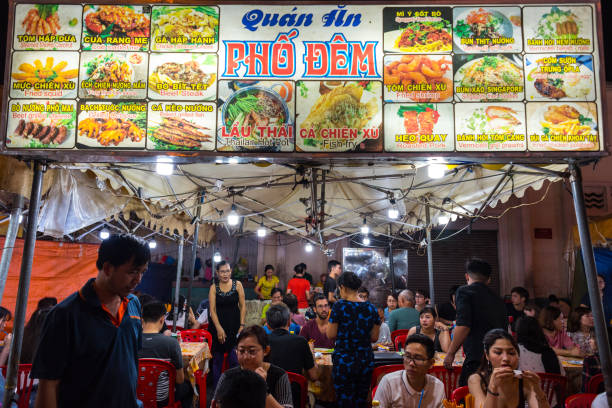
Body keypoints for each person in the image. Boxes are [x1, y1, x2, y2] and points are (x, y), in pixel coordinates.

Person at [32, 234, 150, 408]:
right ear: (108, 268)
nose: (138, 280)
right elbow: (49, 384)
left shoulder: (133, 305)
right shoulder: (65, 315)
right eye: (132, 272)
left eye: (142, 272)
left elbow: (129, 362)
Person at [444, 258, 508, 386]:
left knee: (468, 400)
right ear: (489, 279)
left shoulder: (464, 291)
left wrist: (450, 354)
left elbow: (463, 325)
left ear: (467, 276)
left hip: (476, 359)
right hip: (497, 360)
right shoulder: (499, 300)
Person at [327, 272, 380, 408]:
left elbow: (330, 334)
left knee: (345, 401)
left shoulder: (339, 306)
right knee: (360, 399)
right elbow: (374, 337)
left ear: (342, 287)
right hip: (364, 360)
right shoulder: (371, 308)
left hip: (344, 360)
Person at [212, 325, 293, 408]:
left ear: (266, 351)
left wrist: (263, 388)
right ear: (236, 351)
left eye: (252, 351)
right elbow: (215, 405)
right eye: (241, 351)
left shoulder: (279, 375)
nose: (246, 357)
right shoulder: (228, 376)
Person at [468, 329, 550, 408]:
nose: (506, 358)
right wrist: (493, 386)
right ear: (487, 356)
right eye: (498, 352)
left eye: (511, 353)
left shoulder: (523, 379)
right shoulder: (477, 380)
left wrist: (538, 390)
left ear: (518, 356)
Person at [139, 301, 192, 408]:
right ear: (162, 319)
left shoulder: (129, 341)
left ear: (141, 320)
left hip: (135, 397)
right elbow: (179, 379)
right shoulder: (171, 343)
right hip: (162, 399)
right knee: (189, 387)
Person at [266, 304, 318, 408]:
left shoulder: (262, 342)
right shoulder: (300, 342)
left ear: (268, 325)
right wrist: (311, 352)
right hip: (295, 400)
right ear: (289, 321)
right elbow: (314, 376)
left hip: (268, 400)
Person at [373, 334, 445, 407]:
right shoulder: (389, 383)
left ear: (431, 363)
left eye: (418, 358)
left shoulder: (438, 387)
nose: (411, 363)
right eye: (407, 356)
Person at [208, 261, 246, 386]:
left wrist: (242, 325)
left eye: (228, 271)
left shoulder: (238, 285)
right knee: (217, 361)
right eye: (222, 271)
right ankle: (217, 392)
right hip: (217, 327)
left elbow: (243, 306)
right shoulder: (214, 287)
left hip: (234, 327)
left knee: (234, 360)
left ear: (231, 271)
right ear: (217, 273)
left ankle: (234, 389)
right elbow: (212, 310)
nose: (225, 274)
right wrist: (218, 328)